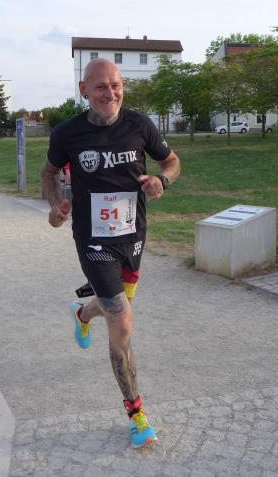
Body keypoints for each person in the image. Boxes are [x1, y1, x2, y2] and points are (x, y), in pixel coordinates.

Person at [41, 58, 181, 449]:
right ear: (84, 90)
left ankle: (83, 313)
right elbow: (48, 173)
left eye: (116, 85)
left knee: (114, 305)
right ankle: (137, 414)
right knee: (121, 317)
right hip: (92, 239)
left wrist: (162, 181)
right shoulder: (67, 133)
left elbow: (172, 162)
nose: (111, 93)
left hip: (133, 235)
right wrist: (55, 205)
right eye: (101, 86)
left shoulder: (140, 125)